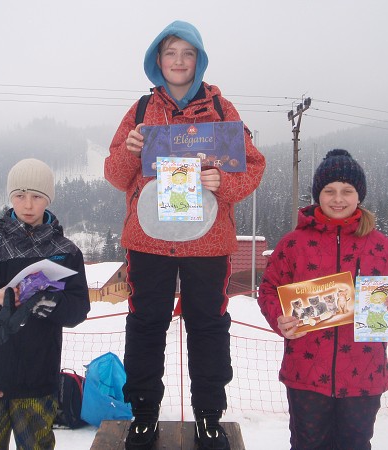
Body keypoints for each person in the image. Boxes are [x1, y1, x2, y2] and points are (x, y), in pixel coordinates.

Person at [104, 20, 266, 450]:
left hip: (207, 239)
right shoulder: (140, 111)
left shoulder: (222, 109)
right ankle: (142, 415)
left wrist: (221, 182)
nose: (178, 61)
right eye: (170, 52)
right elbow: (115, 175)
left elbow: (253, 165)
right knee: (145, 325)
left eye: (187, 52)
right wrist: (129, 151)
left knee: (208, 326)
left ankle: (210, 417)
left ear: (199, 59)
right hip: (149, 238)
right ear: (157, 60)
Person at [258, 149, 388, 450]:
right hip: (306, 372)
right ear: (318, 195)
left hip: (364, 375)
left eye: (347, 190)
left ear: (360, 196)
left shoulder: (381, 246)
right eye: (329, 191)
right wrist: (281, 318)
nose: (338, 198)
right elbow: (268, 290)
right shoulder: (293, 244)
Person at [0, 158, 91, 450]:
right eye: (19, 195)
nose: (27, 204)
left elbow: (79, 307)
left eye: (36, 196)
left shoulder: (66, 251)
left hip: (36, 379)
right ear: (10, 197)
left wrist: (52, 302)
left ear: (48, 199)